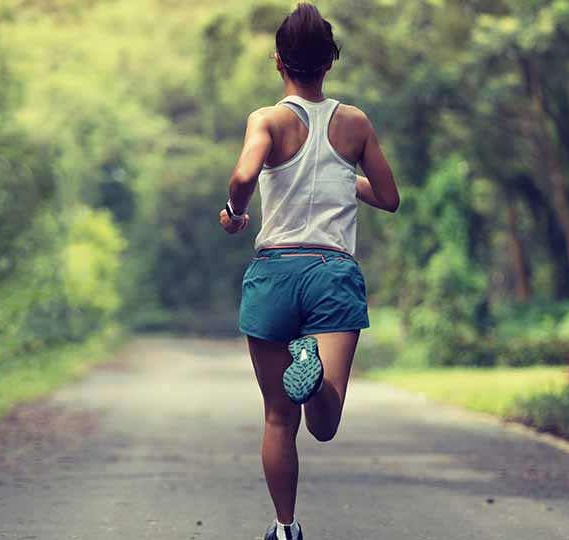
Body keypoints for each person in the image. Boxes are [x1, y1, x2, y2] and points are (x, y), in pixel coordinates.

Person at [217, 3, 399, 539]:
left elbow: (243, 173)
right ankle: (313, 375)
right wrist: (345, 179)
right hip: (331, 272)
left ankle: (285, 528)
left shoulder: (267, 120)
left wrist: (236, 212)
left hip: (274, 271)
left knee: (278, 417)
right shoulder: (355, 123)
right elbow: (388, 197)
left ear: (279, 63)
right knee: (323, 424)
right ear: (330, 62)